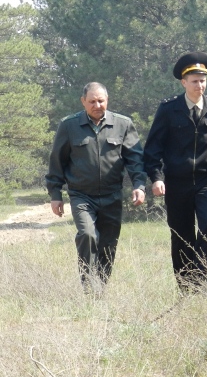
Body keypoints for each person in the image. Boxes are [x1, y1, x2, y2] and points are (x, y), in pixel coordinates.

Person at [144, 51, 207, 292]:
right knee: (182, 233)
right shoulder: (168, 109)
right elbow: (153, 147)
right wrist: (156, 177)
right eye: (195, 81)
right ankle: (187, 286)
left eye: (203, 80)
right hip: (177, 181)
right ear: (183, 82)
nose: (200, 85)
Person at [46, 82, 147, 294]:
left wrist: (139, 185)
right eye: (92, 101)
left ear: (107, 100)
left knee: (108, 244)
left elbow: (135, 159)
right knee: (88, 235)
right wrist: (55, 194)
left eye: (101, 100)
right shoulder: (69, 126)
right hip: (81, 195)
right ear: (83, 102)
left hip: (112, 196)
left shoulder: (123, 124)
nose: (97, 105)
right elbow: (57, 161)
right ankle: (88, 287)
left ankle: (100, 288)